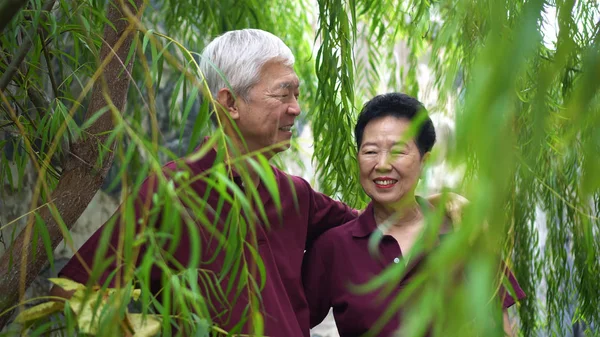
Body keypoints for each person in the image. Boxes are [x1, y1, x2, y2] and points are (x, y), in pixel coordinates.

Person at [51, 29, 358, 336]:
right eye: (282, 94)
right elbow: (72, 293)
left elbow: (374, 227)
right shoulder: (171, 191)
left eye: (297, 95)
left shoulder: (295, 195)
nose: (296, 108)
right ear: (230, 102)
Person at [301, 93, 526, 337]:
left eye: (398, 151)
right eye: (370, 152)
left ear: (424, 162)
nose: (383, 164)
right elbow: (288, 321)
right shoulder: (334, 247)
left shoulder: (464, 232)